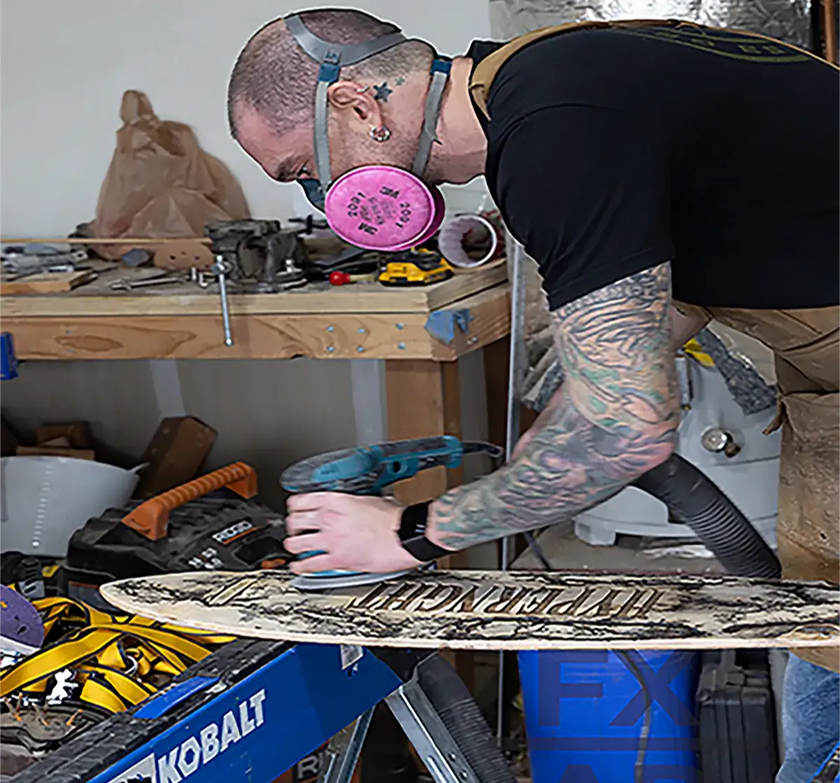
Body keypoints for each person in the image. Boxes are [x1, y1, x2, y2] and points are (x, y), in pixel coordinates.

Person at [227, 11, 840, 781]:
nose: (324, 200)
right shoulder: (548, 80)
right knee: (825, 645)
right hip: (826, 380)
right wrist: (544, 454)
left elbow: (626, 430)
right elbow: (651, 323)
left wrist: (410, 532)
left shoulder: (555, 132)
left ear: (357, 106)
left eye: (302, 171)